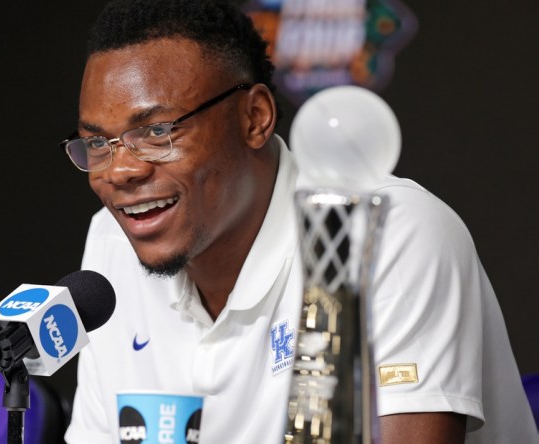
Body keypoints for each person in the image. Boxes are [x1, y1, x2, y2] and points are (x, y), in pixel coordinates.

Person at [59, 0, 537, 442]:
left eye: (157, 132)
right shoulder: (111, 241)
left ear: (255, 117)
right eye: (98, 143)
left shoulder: (382, 231)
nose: (120, 171)